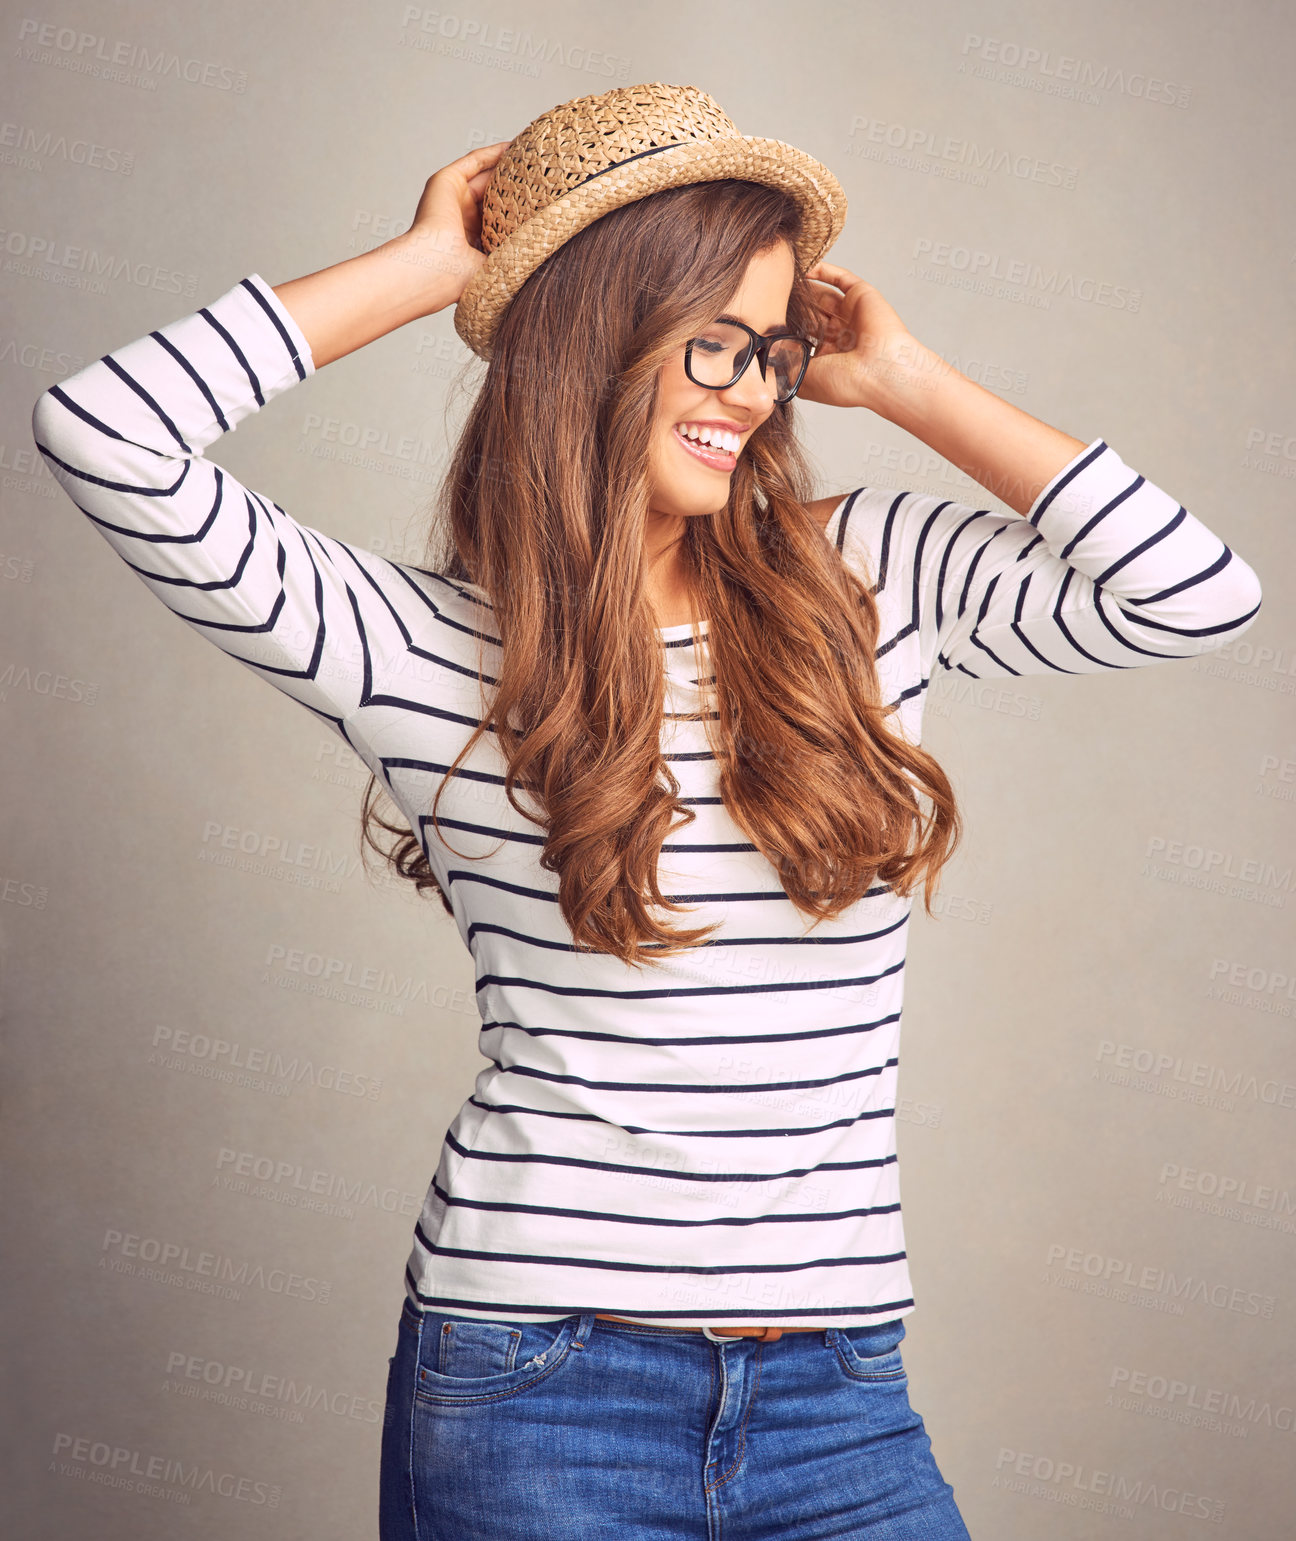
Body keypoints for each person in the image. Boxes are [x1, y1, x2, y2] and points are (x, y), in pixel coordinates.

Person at [31, 82, 1262, 1541]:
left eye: (774, 351)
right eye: (714, 342)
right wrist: (442, 265)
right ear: (594, 331)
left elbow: (1197, 591)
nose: (753, 388)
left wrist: (912, 378)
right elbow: (104, 434)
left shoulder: (867, 584)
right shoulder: (419, 645)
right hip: (536, 1387)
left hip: (840, 1392)